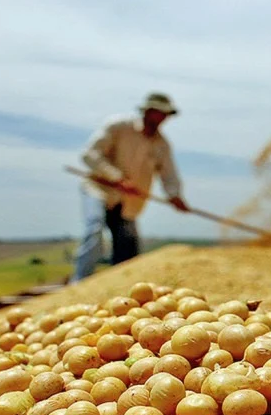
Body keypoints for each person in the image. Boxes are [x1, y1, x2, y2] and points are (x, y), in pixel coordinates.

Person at [71, 92, 190, 282]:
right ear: (148, 111)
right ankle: (79, 282)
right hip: (99, 190)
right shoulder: (118, 126)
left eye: (165, 115)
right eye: (158, 113)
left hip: (128, 201)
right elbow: (90, 155)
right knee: (95, 229)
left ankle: (120, 287)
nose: (161, 118)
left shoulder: (162, 145)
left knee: (128, 248)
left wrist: (175, 195)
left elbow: (169, 175)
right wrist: (116, 178)